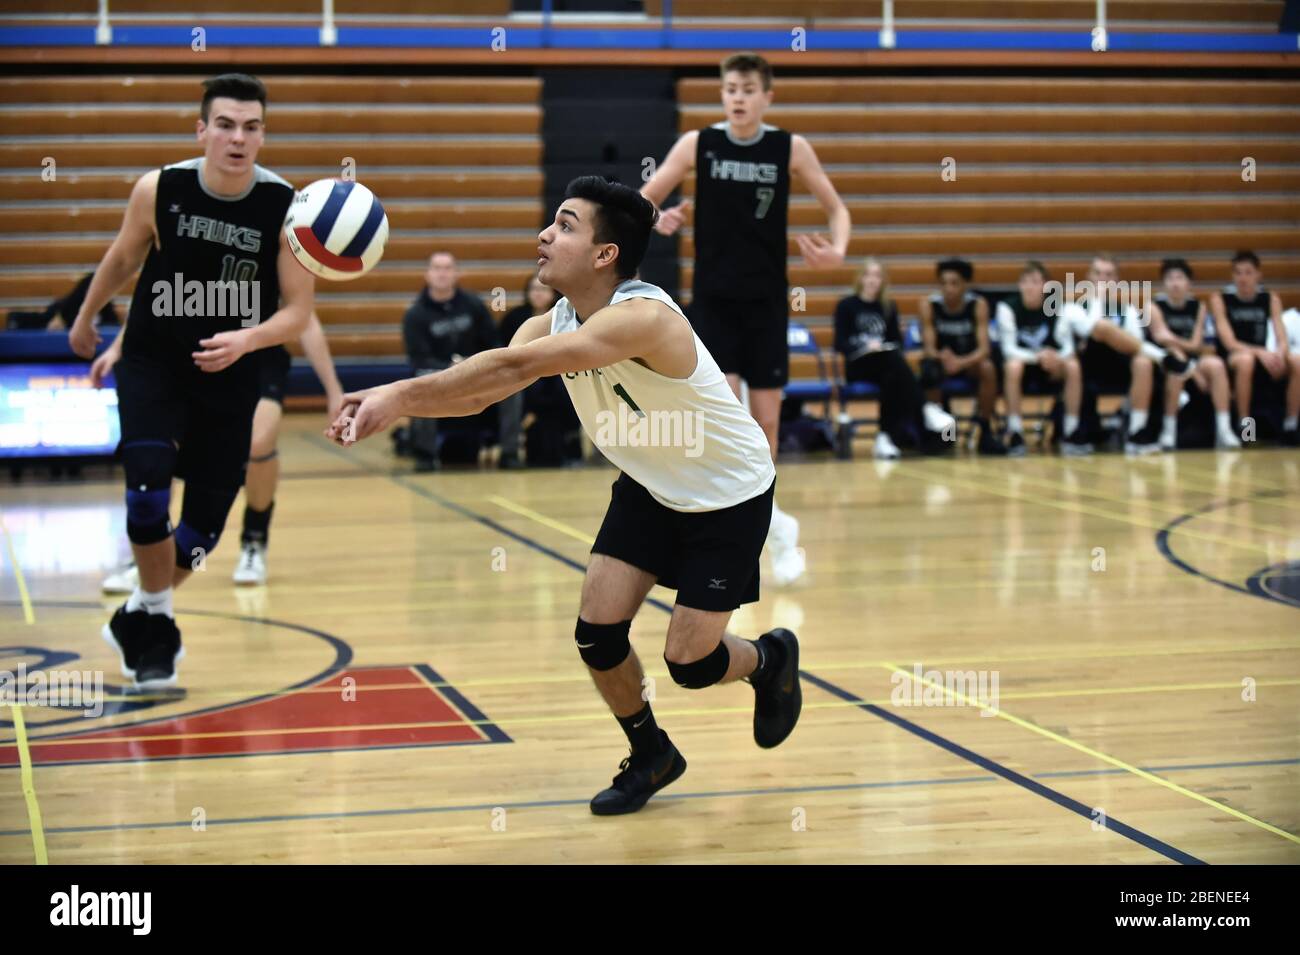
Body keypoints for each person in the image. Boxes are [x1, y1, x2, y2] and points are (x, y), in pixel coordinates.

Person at [328, 176, 801, 815]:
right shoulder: (555, 320)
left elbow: (514, 368)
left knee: (690, 663)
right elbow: (484, 387)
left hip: (727, 496)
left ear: (606, 255)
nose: (545, 235)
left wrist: (395, 394)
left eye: (566, 225)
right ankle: (651, 752)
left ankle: (770, 658)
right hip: (651, 486)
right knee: (596, 635)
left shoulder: (643, 318)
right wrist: (397, 406)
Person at [67, 73, 314, 689]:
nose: (238, 138)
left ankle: (145, 612)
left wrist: (248, 338)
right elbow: (125, 258)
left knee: (202, 533)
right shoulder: (159, 188)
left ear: (262, 134)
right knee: (146, 492)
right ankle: (154, 613)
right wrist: (86, 317)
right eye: (225, 124)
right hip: (154, 365)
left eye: (251, 127)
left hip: (232, 376)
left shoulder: (285, 206)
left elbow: (298, 312)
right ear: (201, 129)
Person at [640, 51, 852, 585]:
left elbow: (837, 209)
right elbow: (644, 199)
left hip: (765, 305)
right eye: (729, 88)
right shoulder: (698, 144)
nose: (737, 97)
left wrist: (839, 250)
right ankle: (763, 532)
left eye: (747, 89)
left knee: (766, 428)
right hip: (712, 304)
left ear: (766, 97)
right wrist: (656, 219)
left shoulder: (789, 148)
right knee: (724, 424)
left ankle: (770, 524)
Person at [96, 312, 343, 591]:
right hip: (188, 350)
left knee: (259, 442)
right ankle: (150, 557)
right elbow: (149, 293)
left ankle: (254, 540)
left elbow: (304, 315)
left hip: (257, 356)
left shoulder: (280, 268)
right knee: (162, 450)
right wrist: (118, 347)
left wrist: (333, 390)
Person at [1064, 254, 1185, 455]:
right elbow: (1089, 329)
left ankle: (1136, 433)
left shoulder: (1127, 310)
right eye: (1098, 273)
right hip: (1086, 368)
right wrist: (1098, 301)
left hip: (1119, 368)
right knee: (1102, 327)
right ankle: (1163, 358)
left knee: (1143, 362)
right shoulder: (1073, 308)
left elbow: (1137, 342)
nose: (1103, 279)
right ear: (1088, 278)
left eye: (1109, 275)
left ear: (1117, 281)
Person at [832, 257, 953, 458]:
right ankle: (924, 409)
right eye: (868, 275)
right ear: (860, 278)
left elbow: (897, 340)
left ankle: (885, 438)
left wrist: (881, 347)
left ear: (883, 281)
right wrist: (864, 345)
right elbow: (839, 343)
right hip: (858, 365)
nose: (872, 280)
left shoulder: (888, 306)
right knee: (895, 367)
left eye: (877, 276)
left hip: (885, 365)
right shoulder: (846, 305)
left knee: (891, 375)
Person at [401, 251, 499, 470]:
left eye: (447, 268)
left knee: (513, 386)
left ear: (456, 274)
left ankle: (509, 452)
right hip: (438, 378)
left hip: (477, 374)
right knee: (422, 382)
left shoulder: (473, 305)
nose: (442, 274)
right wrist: (450, 368)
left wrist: (472, 364)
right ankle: (425, 455)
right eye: (437, 268)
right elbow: (418, 359)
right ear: (427, 275)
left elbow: (494, 343)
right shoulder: (415, 314)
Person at [1146, 259, 1239, 450]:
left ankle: (1225, 429)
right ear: (1164, 283)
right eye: (1170, 278)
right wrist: (1192, 369)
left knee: (1217, 365)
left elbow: (1197, 343)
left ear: (1189, 283)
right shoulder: (1154, 306)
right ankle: (1168, 431)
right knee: (1176, 364)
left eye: (1180, 278)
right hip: (1164, 361)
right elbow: (1162, 339)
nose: (1175, 283)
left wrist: (1181, 346)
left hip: (1192, 359)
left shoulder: (1199, 307)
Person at [917, 258, 1007, 455]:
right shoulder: (929, 305)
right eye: (943, 283)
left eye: (954, 283)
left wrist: (961, 362)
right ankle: (941, 432)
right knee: (929, 370)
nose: (948, 288)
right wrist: (943, 357)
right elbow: (929, 348)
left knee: (988, 368)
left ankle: (985, 430)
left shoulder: (977, 305)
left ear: (965, 285)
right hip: (942, 362)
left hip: (969, 362)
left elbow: (984, 349)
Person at [1209, 251, 1298, 446]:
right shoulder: (1220, 299)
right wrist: (1259, 352)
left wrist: (1281, 354)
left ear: (1259, 275)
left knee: (1297, 361)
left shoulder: (1270, 299)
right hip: (1233, 357)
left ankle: (1291, 425)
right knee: (1245, 360)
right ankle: (1245, 427)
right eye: (1238, 273)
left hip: (1262, 355)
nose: (1243, 278)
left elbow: (1281, 336)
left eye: (1248, 272)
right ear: (1232, 276)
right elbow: (1229, 342)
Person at [995, 261, 1084, 456]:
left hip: (1049, 369)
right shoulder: (1007, 307)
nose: (1029, 287)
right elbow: (1008, 349)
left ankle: (1071, 431)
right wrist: (1038, 356)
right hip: (1025, 367)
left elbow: (1068, 347)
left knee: (1073, 366)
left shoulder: (1058, 307)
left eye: (1035, 282)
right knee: (1013, 366)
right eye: (1025, 282)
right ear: (1019, 285)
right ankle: (1015, 432)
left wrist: (1055, 357)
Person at [497, 272, 562, 468]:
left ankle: (566, 448)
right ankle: (509, 453)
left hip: (553, 377)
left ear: (553, 293)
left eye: (543, 289)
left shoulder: (564, 317)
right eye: (534, 289)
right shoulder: (514, 318)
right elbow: (501, 352)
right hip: (520, 378)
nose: (538, 294)